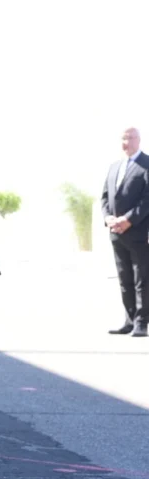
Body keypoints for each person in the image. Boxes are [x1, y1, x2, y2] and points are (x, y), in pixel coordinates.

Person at [100, 127, 149, 337]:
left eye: (129, 138)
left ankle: (141, 323)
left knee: (142, 279)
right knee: (124, 277)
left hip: (138, 232)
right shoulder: (114, 167)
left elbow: (147, 199)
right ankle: (129, 320)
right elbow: (104, 197)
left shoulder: (146, 165)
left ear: (138, 139)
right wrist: (108, 218)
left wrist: (128, 219)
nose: (125, 142)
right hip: (116, 233)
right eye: (122, 139)